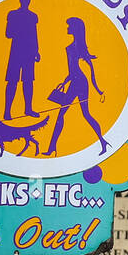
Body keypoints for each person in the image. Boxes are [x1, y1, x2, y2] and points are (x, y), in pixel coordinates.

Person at [44, 17, 109, 156]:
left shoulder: (78, 47)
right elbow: (71, 70)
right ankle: (52, 148)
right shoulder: (71, 46)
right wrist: (64, 82)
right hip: (74, 81)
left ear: (75, 28)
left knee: (83, 114)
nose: (67, 28)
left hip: (80, 83)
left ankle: (103, 142)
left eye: (69, 26)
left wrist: (97, 89)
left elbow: (90, 69)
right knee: (64, 114)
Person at [3, 0, 40, 120]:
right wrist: (21, 31)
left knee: (28, 81)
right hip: (17, 50)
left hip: (29, 51)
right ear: (21, 0)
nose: (27, 1)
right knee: (12, 81)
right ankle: (7, 111)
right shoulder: (13, 14)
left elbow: (34, 34)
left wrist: (36, 51)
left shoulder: (33, 16)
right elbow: (8, 33)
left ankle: (28, 109)